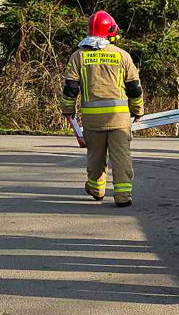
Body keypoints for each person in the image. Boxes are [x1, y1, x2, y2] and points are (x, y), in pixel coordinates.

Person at [61, 11, 144, 207]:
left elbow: (70, 88)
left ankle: (97, 189)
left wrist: (68, 110)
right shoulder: (122, 56)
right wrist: (137, 110)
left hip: (92, 120)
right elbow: (134, 87)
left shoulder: (78, 56)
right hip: (119, 119)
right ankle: (123, 196)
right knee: (121, 156)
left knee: (95, 156)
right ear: (110, 32)